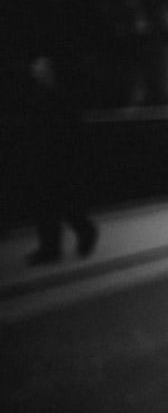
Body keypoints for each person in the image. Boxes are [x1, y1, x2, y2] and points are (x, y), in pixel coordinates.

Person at [23, 55, 98, 266]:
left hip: (58, 159)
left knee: (59, 204)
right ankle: (53, 246)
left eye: (40, 68)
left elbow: (72, 130)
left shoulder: (56, 97)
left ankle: (70, 238)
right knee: (52, 205)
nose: (36, 71)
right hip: (50, 159)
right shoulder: (44, 96)